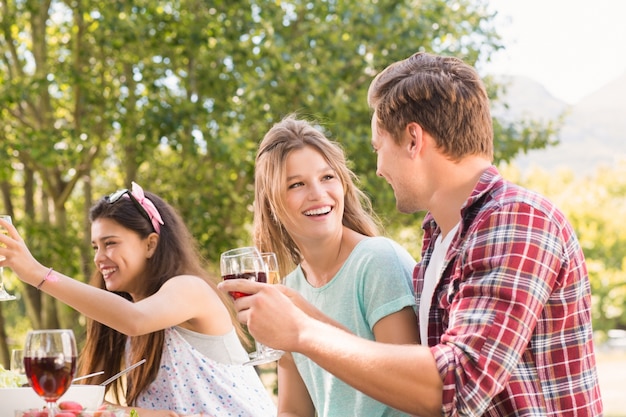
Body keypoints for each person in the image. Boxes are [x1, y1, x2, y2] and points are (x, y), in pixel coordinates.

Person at [219, 52, 604, 416]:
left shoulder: (516, 219)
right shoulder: (441, 241)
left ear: (413, 140)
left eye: (378, 147)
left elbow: (457, 383)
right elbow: (400, 368)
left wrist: (303, 332)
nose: (378, 168)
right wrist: (303, 317)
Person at [0, 182, 276, 417]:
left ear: (150, 244)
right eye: (95, 247)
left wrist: (38, 274)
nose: (99, 258)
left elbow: (135, 320)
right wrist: (86, 407)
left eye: (110, 243)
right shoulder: (125, 316)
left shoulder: (190, 289)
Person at [252, 115, 419, 416]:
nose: (318, 193)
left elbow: (412, 392)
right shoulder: (289, 289)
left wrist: (305, 327)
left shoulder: (377, 261)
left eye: (327, 177)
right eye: (297, 184)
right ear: (271, 204)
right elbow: (294, 410)